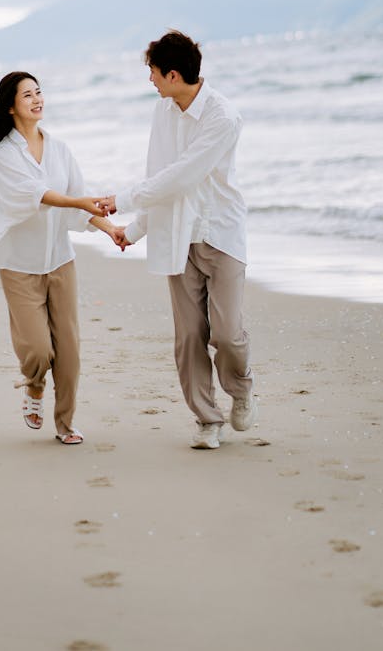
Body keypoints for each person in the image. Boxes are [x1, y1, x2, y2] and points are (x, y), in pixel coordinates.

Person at [102, 30, 256, 450]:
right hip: (177, 236)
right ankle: (208, 420)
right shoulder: (162, 112)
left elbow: (183, 175)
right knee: (189, 336)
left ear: (172, 74)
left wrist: (121, 201)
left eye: (152, 72)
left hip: (221, 233)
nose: (149, 80)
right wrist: (134, 231)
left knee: (226, 334)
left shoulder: (222, 116)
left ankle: (241, 388)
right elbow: (160, 177)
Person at [0, 71, 127, 446]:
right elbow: (36, 194)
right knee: (39, 349)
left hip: (60, 260)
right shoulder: (5, 153)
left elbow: (77, 202)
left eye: (39, 92)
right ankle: (35, 386)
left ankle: (66, 423)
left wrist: (110, 230)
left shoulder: (59, 149)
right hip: (19, 265)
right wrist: (79, 201)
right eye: (28, 95)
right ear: (10, 106)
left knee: (69, 349)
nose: (37, 99)